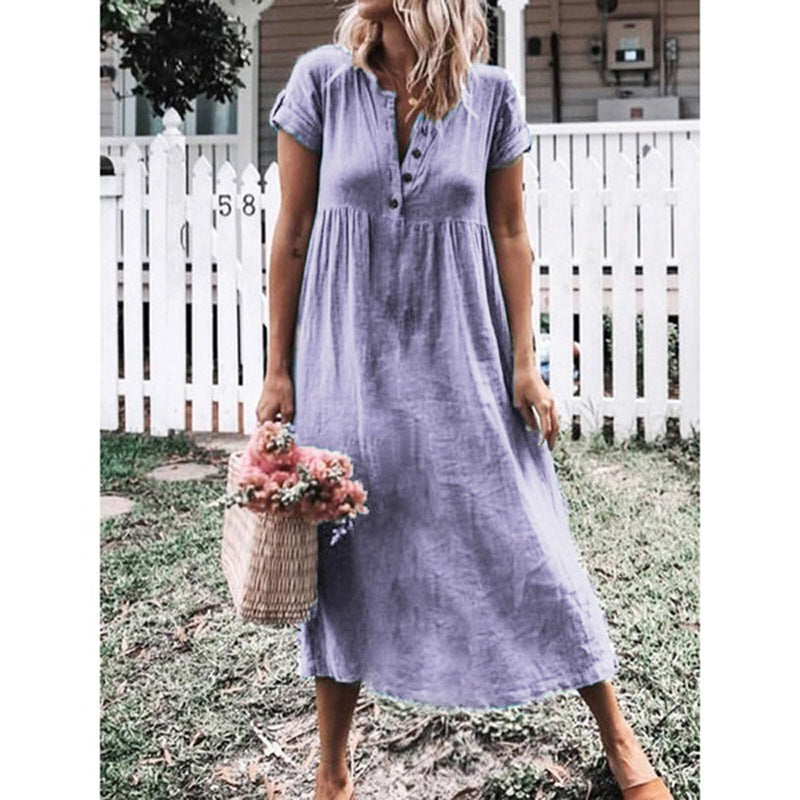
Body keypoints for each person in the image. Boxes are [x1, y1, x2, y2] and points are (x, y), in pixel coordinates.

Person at [256, 2, 674, 799]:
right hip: (347, 357)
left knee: (525, 533)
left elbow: (510, 233)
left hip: (463, 354)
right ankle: (333, 772)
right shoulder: (321, 83)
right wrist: (279, 370)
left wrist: (525, 363)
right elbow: (295, 232)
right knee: (344, 556)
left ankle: (619, 739)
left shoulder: (491, 96)